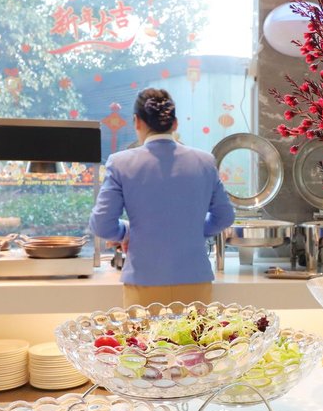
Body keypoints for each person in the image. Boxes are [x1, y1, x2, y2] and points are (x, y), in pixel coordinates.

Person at [89, 88, 235, 307]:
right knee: (194, 331)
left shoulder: (120, 163)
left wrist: (127, 232)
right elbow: (225, 217)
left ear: (137, 122)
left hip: (143, 280)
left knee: (144, 332)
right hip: (195, 279)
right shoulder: (204, 161)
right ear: (175, 123)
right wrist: (191, 229)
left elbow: (102, 224)